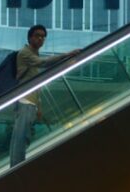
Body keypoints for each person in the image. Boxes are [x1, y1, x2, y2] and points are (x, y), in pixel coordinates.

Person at [9, 25, 80, 166]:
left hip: (30, 102)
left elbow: (36, 84)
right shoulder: (25, 53)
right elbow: (43, 63)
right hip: (24, 101)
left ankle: (17, 165)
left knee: (24, 137)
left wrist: (38, 106)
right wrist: (67, 55)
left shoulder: (33, 54)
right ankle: (16, 168)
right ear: (30, 38)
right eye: (37, 35)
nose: (40, 38)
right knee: (21, 138)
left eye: (43, 36)